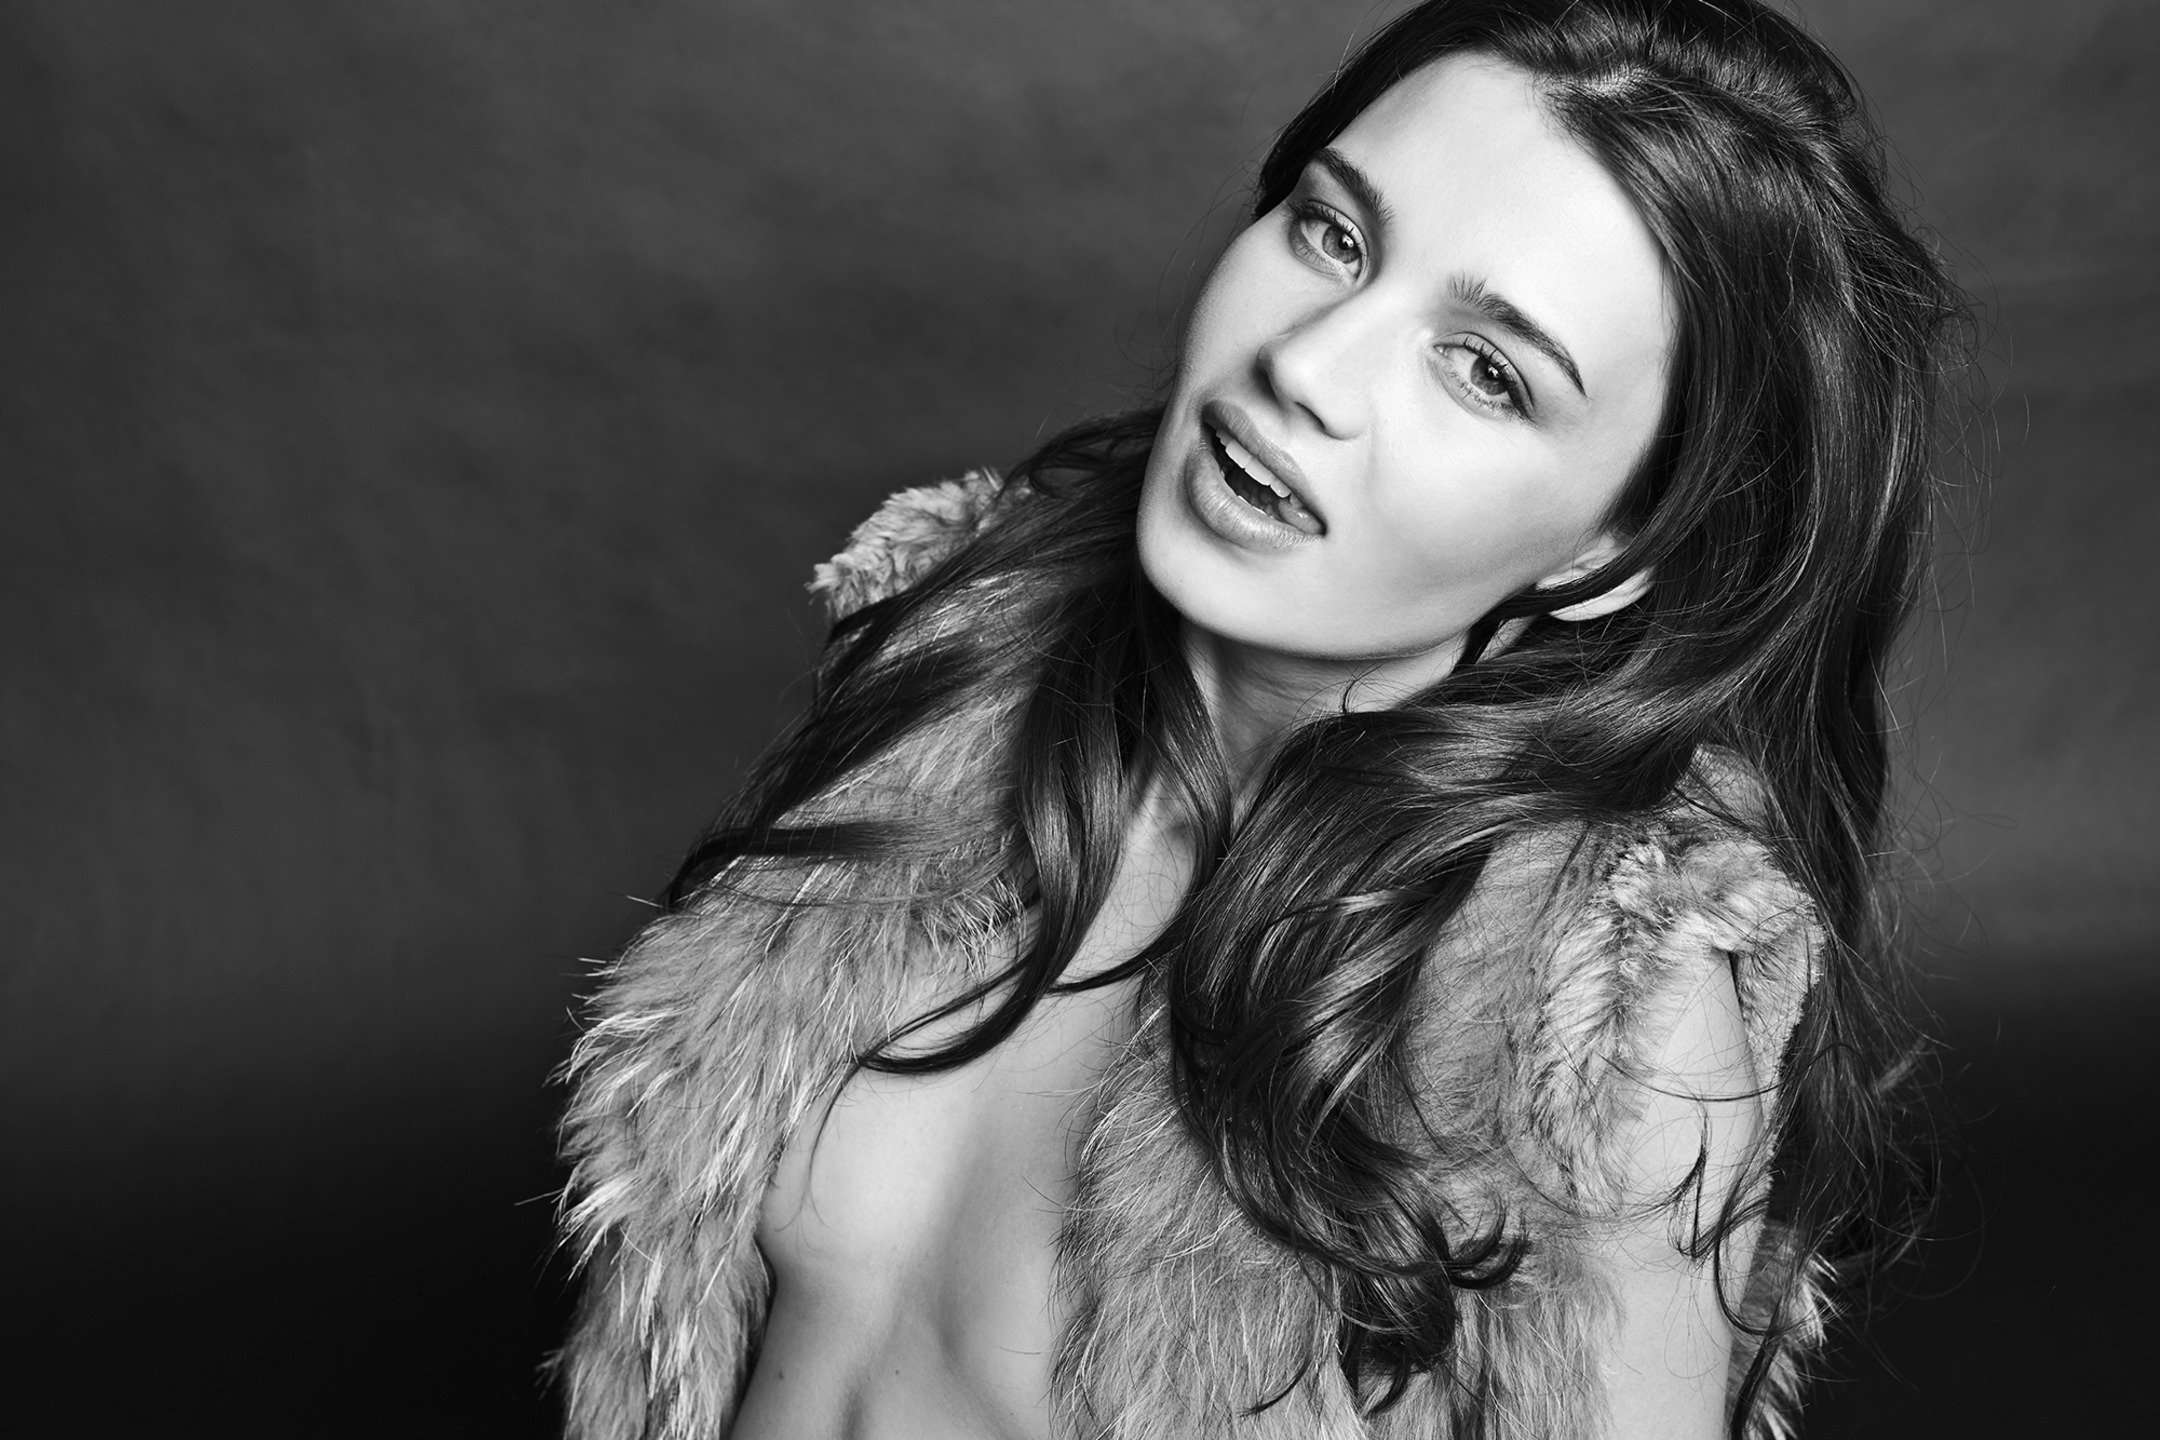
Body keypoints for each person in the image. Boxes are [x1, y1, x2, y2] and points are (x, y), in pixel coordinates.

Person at [555, 1, 1964, 1436]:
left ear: (1612, 550)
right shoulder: (949, 670)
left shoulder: (1598, 1022)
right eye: (1334, 235)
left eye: (1487, 371)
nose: (1310, 364)